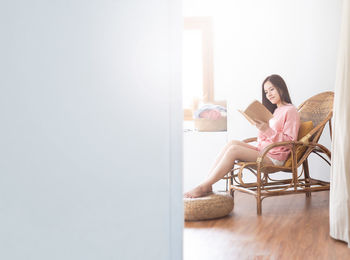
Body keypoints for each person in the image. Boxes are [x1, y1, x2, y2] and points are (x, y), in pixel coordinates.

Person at [184, 74, 301, 198]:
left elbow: (290, 142)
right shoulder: (275, 111)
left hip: (275, 157)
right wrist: (260, 128)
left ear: (281, 88)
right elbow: (266, 137)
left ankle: (203, 186)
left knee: (234, 150)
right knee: (232, 143)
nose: (269, 94)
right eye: (266, 92)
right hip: (263, 150)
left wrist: (266, 129)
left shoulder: (290, 111)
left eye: (272, 89)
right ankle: (206, 183)